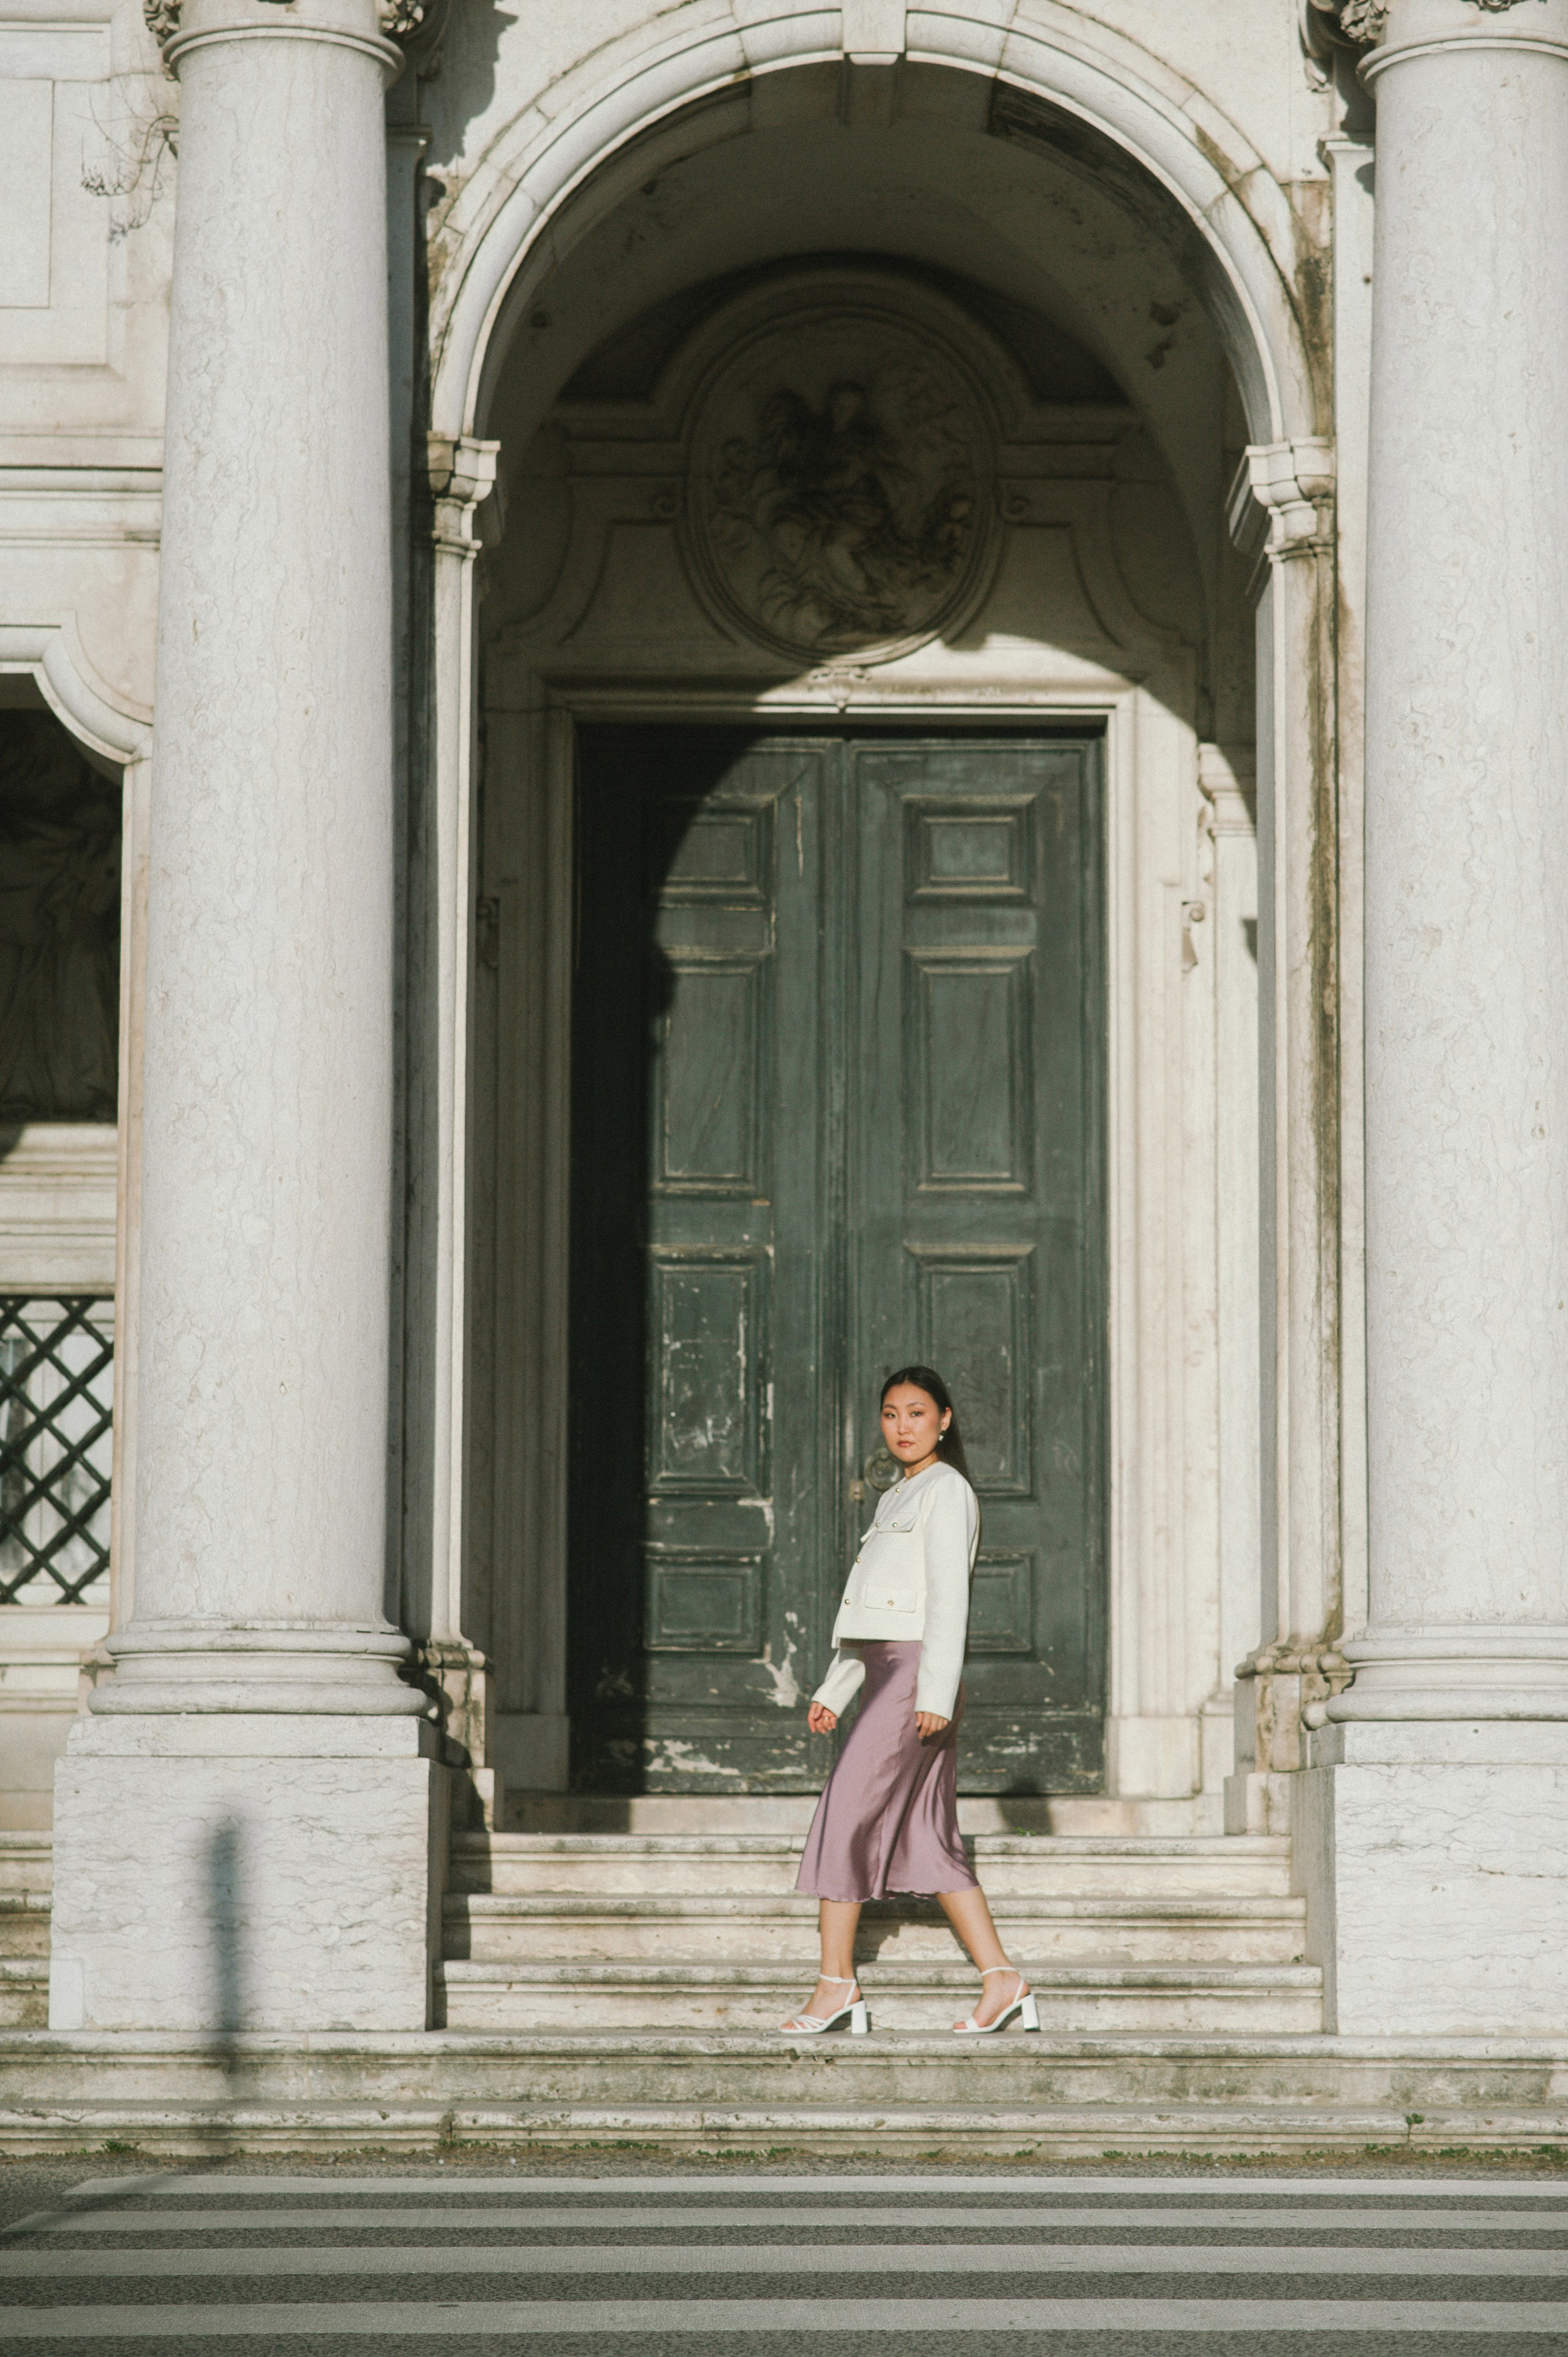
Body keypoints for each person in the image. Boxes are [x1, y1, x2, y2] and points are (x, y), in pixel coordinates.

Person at [780, 1365, 1038, 2038]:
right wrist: (835, 1689)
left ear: (944, 1420)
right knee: (929, 1836)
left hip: (916, 1679)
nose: (902, 1426)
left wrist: (937, 1692)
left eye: (917, 1413)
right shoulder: (898, 1492)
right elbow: (870, 1610)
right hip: (885, 1672)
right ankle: (1002, 1980)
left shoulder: (947, 1489)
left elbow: (949, 1598)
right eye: (891, 1414)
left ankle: (836, 1984)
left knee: (844, 1813)